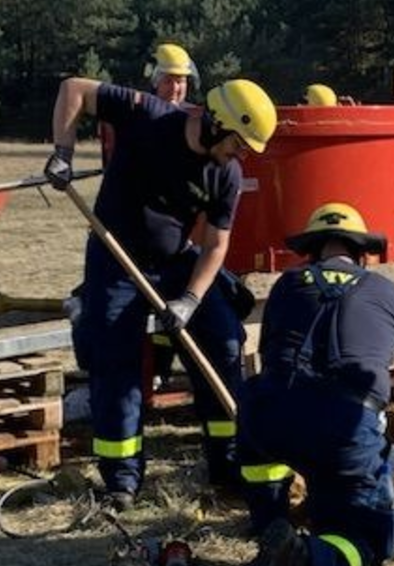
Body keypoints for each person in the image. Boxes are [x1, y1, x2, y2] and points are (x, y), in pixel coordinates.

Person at [44, 76, 278, 510]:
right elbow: (73, 89)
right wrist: (63, 153)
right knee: (115, 358)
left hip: (176, 262)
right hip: (115, 258)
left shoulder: (226, 174)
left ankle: (226, 465)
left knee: (225, 342)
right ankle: (122, 481)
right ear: (216, 122)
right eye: (238, 142)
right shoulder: (149, 115)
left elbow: (216, 245)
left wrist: (189, 301)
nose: (240, 154)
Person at [226, 203, 394, 566]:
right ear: (363, 253)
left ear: (312, 251)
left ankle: (269, 523)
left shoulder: (287, 285)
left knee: (265, 434)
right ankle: (305, 558)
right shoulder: (386, 291)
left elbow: (271, 351)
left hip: (268, 414)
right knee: (367, 539)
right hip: (342, 426)